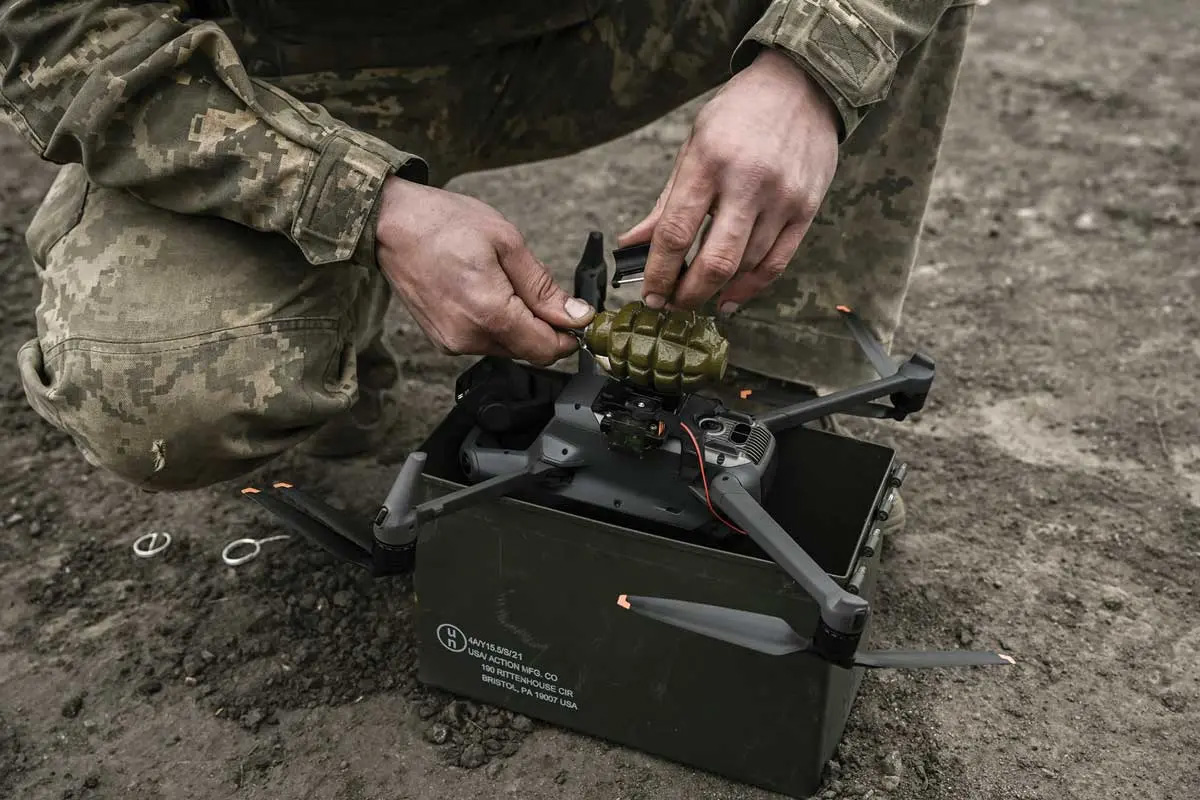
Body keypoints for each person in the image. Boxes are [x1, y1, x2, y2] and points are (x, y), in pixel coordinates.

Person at [2, 0, 976, 531]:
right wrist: (361, 199)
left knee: (866, 18)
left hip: (583, 31)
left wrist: (811, 68)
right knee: (161, 392)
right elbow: (52, 28)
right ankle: (330, 315)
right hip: (276, 70)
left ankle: (755, 386)